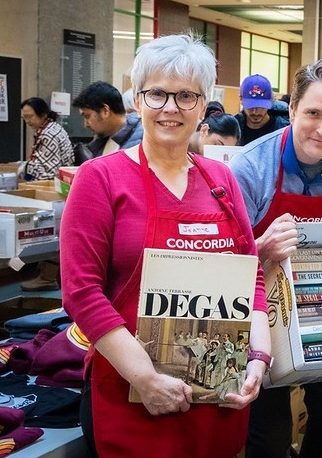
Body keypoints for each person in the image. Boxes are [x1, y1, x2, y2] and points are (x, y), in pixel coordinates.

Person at [59, 33, 272, 458]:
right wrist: (145, 379)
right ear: (137, 100)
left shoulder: (221, 180)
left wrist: (258, 359)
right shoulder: (99, 179)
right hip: (131, 390)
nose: (170, 108)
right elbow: (82, 293)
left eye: (186, 96)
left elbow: (252, 277)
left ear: (203, 106)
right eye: (157, 93)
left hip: (217, 395)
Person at [230, 59, 322, 458]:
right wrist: (260, 248)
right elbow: (226, 263)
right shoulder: (250, 168)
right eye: (312, 113)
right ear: (291, 109)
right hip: (261, 312)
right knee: (270, 436)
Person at [72, 81, 144, 158]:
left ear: (105, 111)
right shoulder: (102, 140)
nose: (86, 124)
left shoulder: (145, 139)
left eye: (87, 116)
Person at [19, 97, 74, 181]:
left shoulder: (48, 134)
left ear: (43, 114)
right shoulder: (52, 127)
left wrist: (26, 167)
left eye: (30, 116)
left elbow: (50, 173)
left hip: (58, 183)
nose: (27, 121)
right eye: (24, 118)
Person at [235, 73, 290, 145]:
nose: (255, 112)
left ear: (271, 101)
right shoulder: (233, 127)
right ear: (241, 100)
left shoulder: (284, 129)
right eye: (250, 106)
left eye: (261, 106)